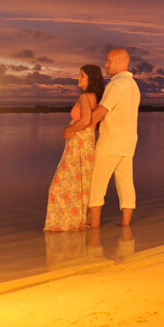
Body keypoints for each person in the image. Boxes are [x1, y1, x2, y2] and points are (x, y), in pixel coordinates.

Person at [43, 65, 103, 231]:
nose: (78, 78)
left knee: (59, 186)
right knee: (79, 184)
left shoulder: (85, 96)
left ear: (90, 78)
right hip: (86, 144)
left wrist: (68, 129)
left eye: (82, 75)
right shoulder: (94, 96)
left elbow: (85, 121)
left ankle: (65, 224)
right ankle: (77, 222)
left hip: (80, 144)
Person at [86, 48, 141, 228]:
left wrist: (78, 127)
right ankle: (125, 227)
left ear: (120, 62)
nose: (106, 64)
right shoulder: (133, 85)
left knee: (97, 186)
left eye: (109, 61)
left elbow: (101, 112)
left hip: (111, 141)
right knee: (126, 184)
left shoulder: (116, 84)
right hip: (128, 142)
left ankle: (94, 230)